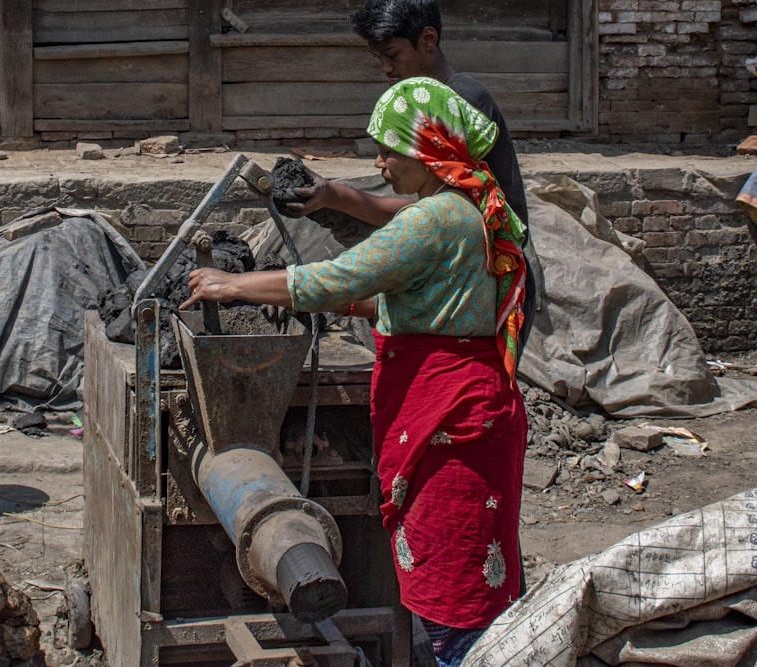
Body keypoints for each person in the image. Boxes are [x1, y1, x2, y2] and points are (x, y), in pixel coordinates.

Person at [183, 77, 529, 666]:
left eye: (389, 151)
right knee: (471, 563)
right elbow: (404, 302)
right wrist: (294, 296)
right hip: (468, 403)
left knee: (454, 573)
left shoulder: (433, 221)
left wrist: (233, 284)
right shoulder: (467, 206)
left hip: (450, 413)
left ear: (426, 154)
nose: (380, 163)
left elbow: (339, 277)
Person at [282, 0, 537, 348]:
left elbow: (445, 218)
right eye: (377, 57)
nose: (385, 67)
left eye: (392, 53)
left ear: (428, 40)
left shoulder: (459, 105)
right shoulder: (427, 107)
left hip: (482, 282)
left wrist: (336, 198)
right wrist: (332, 196)